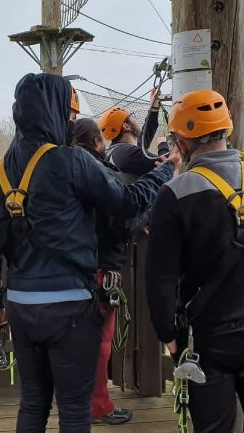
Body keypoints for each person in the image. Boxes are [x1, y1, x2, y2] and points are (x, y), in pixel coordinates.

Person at [0, 73, 173, 433]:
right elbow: (126, 204)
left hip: (20, 305)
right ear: (53, 113)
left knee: (32, 403)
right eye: (66, 113)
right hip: (70, 308)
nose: (69, 122)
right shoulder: (70, 162)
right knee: (75, 410)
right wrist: (165, 172)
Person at [145, 89, 244, 433]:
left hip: (209, 337)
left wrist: (170, 336)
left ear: (183, 143)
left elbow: (160, 278)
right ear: (226, 131)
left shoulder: (174, 195)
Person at [71, 118, 140, 425]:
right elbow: (121, 221)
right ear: (97, 143)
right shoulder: (100, 175)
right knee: (100, 342)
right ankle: (98, 405)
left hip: (78, 271)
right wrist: (146, 214)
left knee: (81, 342)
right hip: (102, 271)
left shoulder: (69, 173)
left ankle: (84, 401)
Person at [98, 88, 168, 180]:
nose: (136, 119)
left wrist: (154, 108)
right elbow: (168, 165)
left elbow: (143, 140)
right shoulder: (126, 153)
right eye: (132, 116)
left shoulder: (119, 152)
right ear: (126, 126)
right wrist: (163, 145)